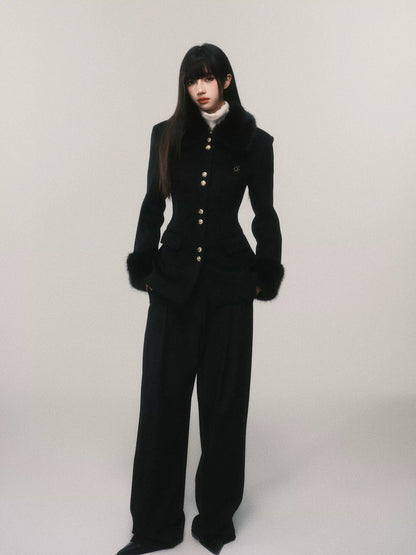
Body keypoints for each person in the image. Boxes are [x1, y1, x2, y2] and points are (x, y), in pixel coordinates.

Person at [117, 43, 284, 555]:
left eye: (208, 78)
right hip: (172, 286)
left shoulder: (255, 142)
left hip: (230, 288)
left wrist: (264, 273)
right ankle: (154, 526)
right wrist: (145, 266)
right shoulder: (166, 135)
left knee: (224, 407)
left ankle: (214, 522)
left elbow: (265, 215)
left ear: (226, 80)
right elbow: (152, 205)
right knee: (161, 405)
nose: (200, 88)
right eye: (192, 80)